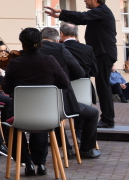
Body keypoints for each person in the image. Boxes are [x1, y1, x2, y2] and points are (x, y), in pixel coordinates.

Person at [0, 28, 70, 176]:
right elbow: (65, 84)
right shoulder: (50, 60)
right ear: (40, 43)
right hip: (47, 115)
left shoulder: (15, 63)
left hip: (21, 114)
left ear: (22, 44)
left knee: (9, 125)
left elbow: (7, 89)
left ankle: (27, 162)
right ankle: (40, 163)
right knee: (40, 120)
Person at [45, 0, 117, 128]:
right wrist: (61, 16)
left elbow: (82, 17)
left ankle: (108, 119)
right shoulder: (98, 13)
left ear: (95, 0)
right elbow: (82, 19)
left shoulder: (102, 11)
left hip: (103, 53)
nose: (85, 0)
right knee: (101, 84)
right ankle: (96, 115)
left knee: (103, 85)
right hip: (100, 53)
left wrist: (61, 12)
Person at [40, 27, 100, 160]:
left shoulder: (29, 53)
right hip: (63, 102)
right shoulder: (61, 49)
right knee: (93, 113)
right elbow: (80, 72)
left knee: (54, 117)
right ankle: (86, 149)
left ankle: (67, 148)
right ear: (57, 39)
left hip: (38, 106)